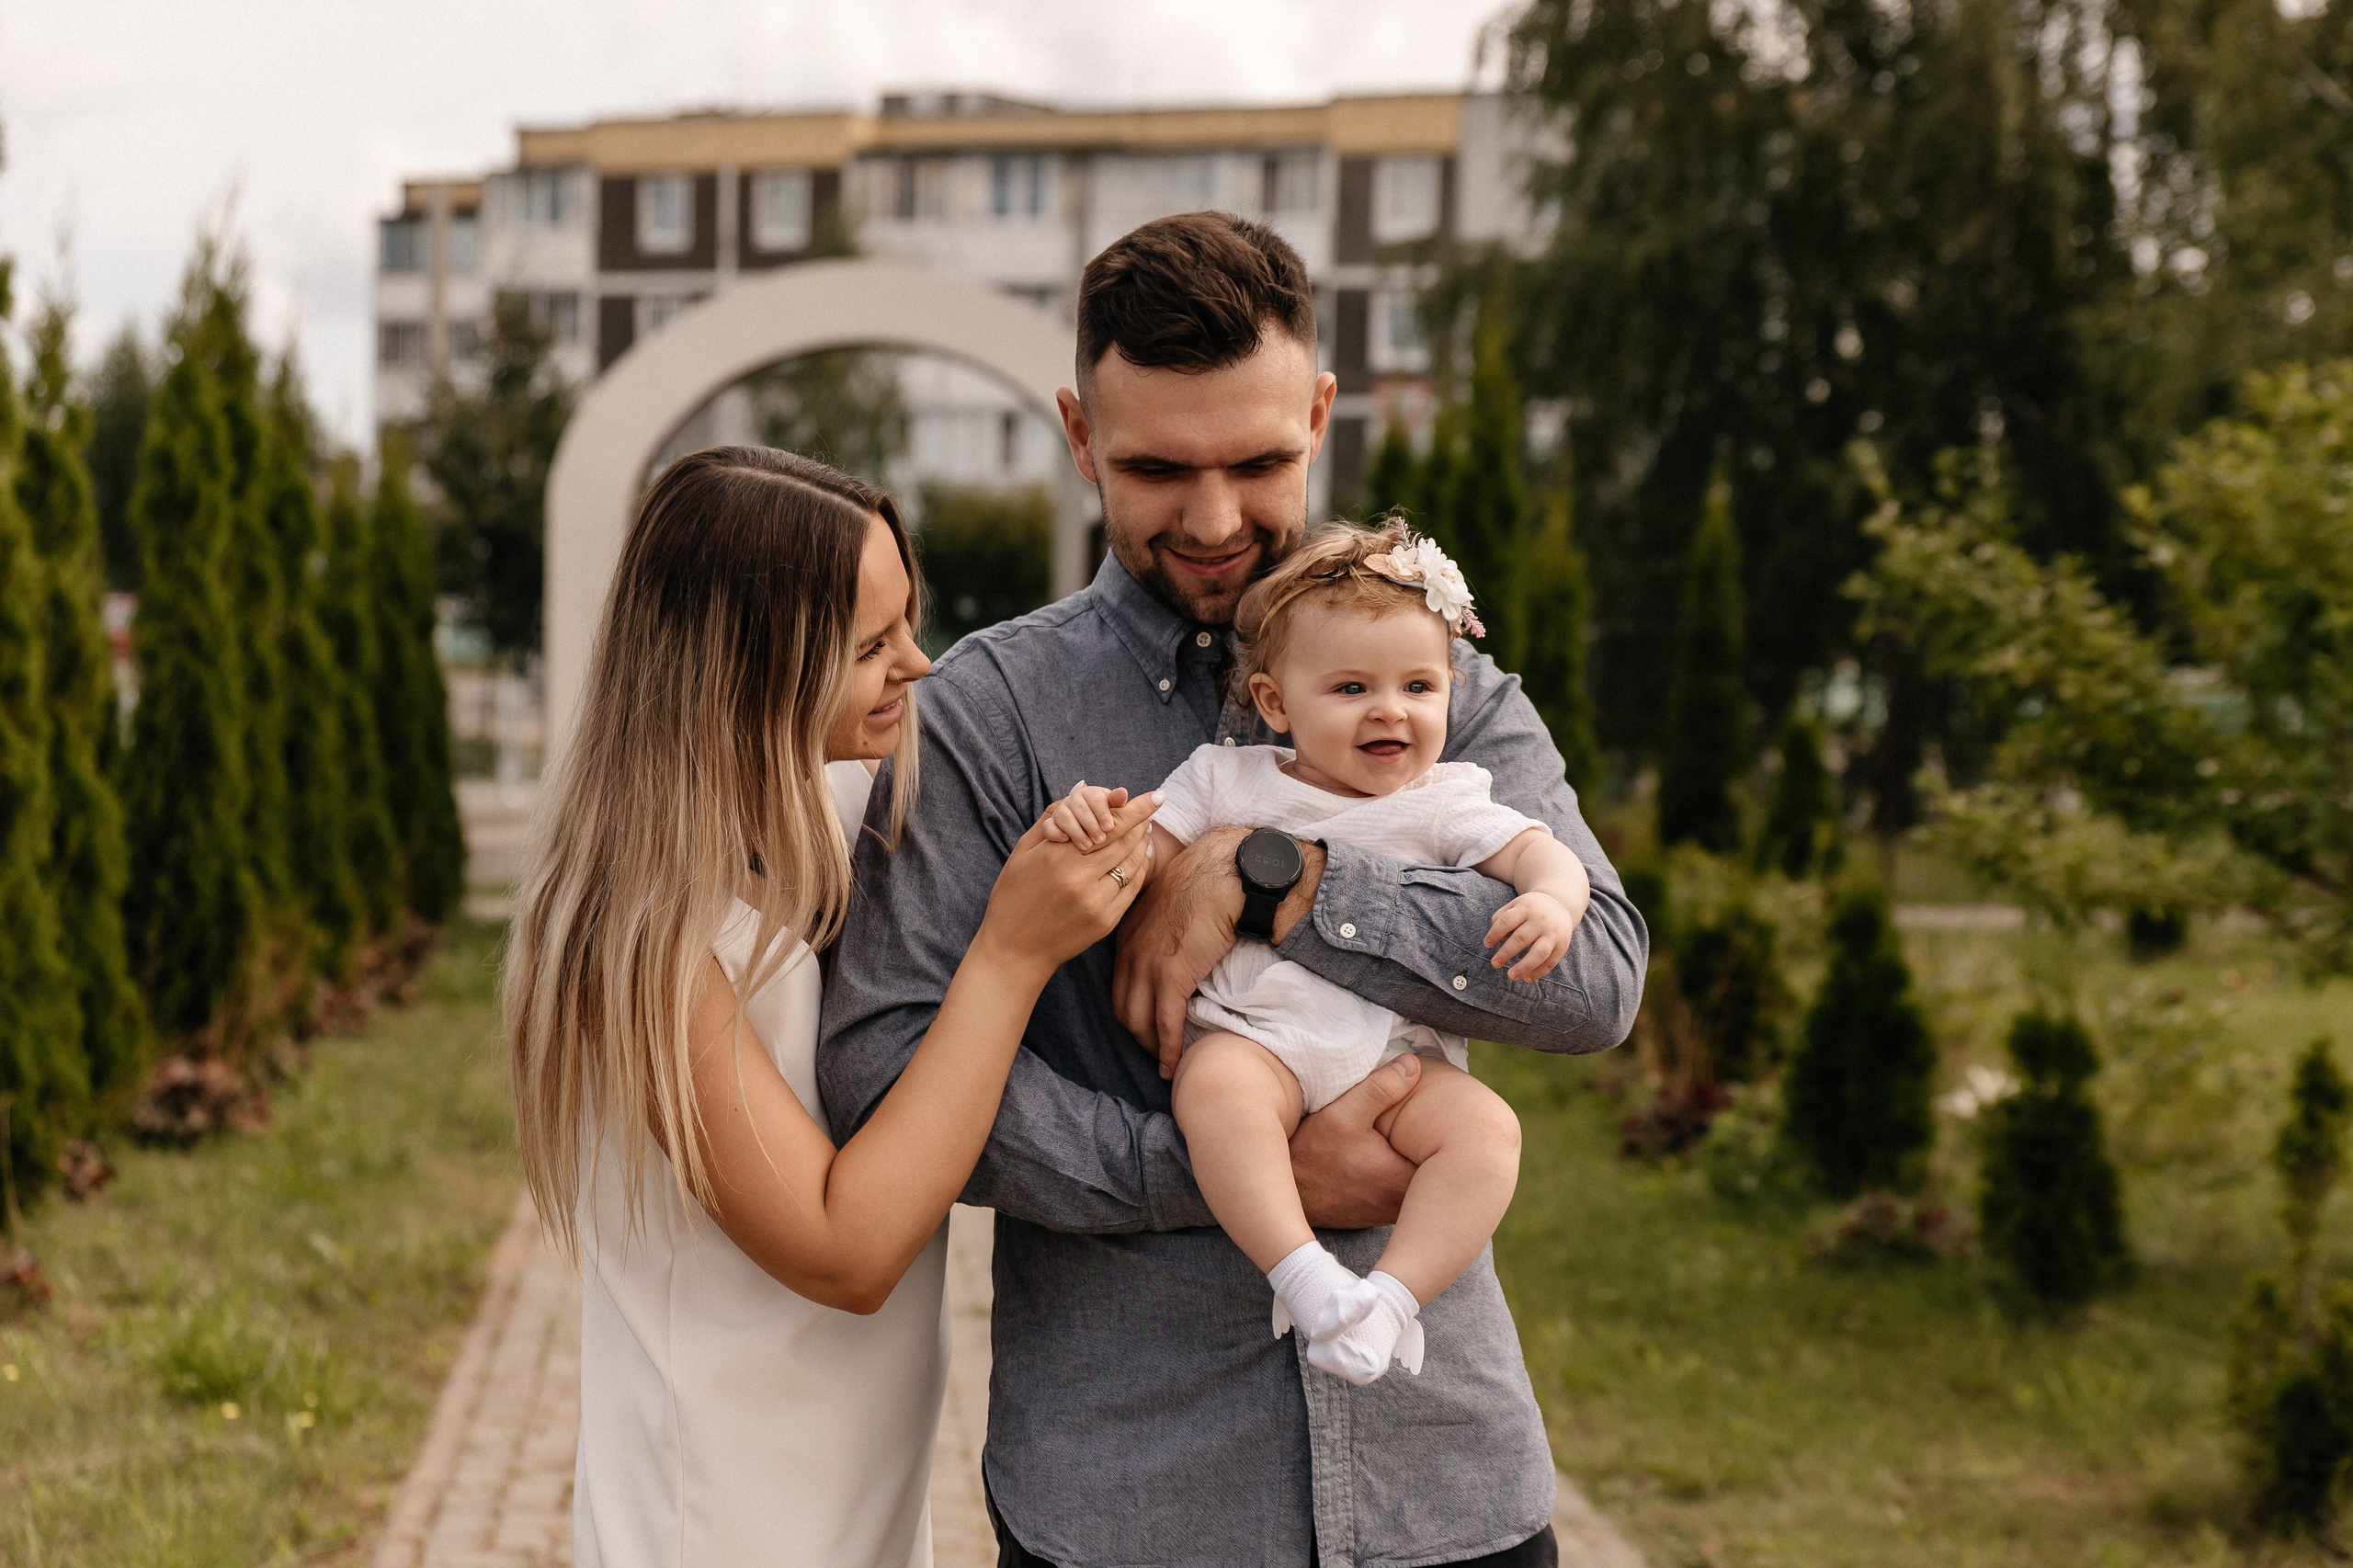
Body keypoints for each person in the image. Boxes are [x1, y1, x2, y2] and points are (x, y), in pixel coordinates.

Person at [819, 213, 1648, 1568]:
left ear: (1320, 414)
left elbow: (1598, 982)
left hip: (1450, 1489)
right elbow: (884, 1072)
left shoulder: (1442, 680)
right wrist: (1216, 1171)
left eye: (1260, 461)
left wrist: (1279, 879)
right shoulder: (985, 713)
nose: (1213, 522)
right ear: (1081, 438)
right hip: (1130, 1495)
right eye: (1155, 468)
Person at [503, 447, 1159, 1568]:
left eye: (911, 620)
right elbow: (844, 1248)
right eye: (869, 647)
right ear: (744, 668)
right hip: (718, 1510)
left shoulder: (841, 797)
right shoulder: (645, 931)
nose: (920, 663)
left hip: (861, 1485)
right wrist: (1006, 954)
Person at [1042, 519, 1594, 1388]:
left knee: (1489, 1135)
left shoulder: (1447, 799)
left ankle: (1387, 1304)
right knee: (1216, 1095)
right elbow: (1144, 862)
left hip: (1393, 1057)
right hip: (1257, 1038)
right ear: (1275, 703)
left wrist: (1552, 902)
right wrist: (1094, 833)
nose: (1390, 709)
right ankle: (1304, 1277)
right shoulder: (1228, 777)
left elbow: (1542, 852)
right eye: (1350, 687)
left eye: (1419, 685)